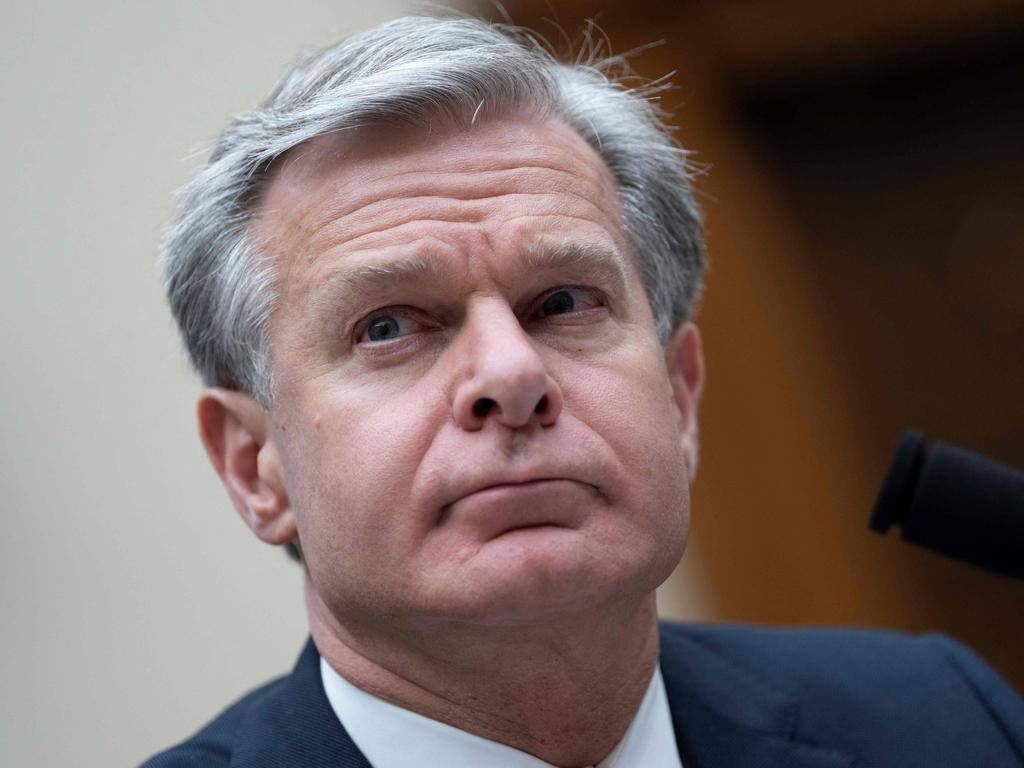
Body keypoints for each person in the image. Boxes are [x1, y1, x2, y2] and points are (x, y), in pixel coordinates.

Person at [144, 15, 1024, 768]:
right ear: (256, 465)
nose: (512, 374)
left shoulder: (944, 721)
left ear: (680, 399)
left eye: (562, 302)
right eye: (388, 326)